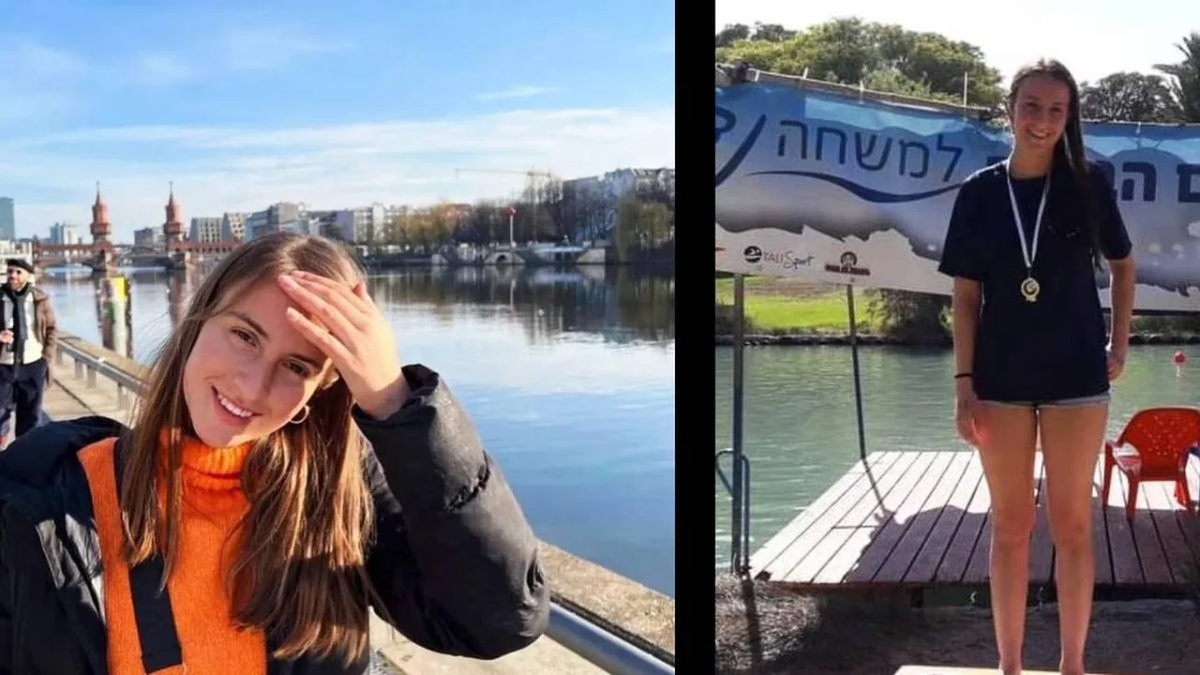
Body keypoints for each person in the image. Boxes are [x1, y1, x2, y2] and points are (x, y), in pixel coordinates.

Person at [0, 232, 549, 673]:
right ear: (198, 320)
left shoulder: (337, 499)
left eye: (296, 366)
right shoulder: (48, 494)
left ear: (319, 392)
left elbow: (499, 620)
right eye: (245, 336)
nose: (252, 387)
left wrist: (394, 402)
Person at [937, 58, 1136, 675]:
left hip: (1077, 377)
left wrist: (1119, 344)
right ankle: (1010, 666)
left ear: (1068, 117)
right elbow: (965, 297)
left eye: (1056, 109)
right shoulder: (979, 193)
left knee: (1072, 526)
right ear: (1011, 110)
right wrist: (963, 383)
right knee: (1011, 525)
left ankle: (1073, 664)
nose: (1042, 121)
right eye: (1031, 106)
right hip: (999, 380)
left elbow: (1123, 264)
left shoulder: (1088, 184)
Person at [0, 258, 56, 442]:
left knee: (31, 415)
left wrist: (46, 357)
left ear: (28, 276)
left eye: (18, 272)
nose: (13, 276)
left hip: (32, 364)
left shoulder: (39, 300)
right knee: (0, 413)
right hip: (3, 365)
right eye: (10, 271)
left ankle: (23, 452)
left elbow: (51, 328)